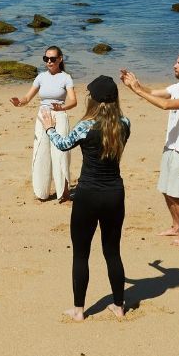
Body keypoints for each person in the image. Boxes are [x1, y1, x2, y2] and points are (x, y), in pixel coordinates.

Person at [40, 75, 130, 321]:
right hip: (114, 194)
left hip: (88, 194)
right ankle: (119, 306)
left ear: (95, 99)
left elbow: (62, 144)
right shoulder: (125, 123)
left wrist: (49, 127)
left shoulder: (85, 125)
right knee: (113, 252)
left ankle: (79, 310)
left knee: (81, 253)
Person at [120, 51, 179, 246]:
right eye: (176, 62)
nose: (175, 66)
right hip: (171, 145)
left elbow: (166, 105)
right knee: (167, 189)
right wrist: (134, 85)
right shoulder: (178, 87)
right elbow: (152, 93)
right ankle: (176, 226)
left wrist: (139, 91)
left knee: (177, 193)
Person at [10, 45, 76, 202]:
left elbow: (73, 101)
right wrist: (19, 102)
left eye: (53, 59)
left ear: (60, 59)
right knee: (41, 152)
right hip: (43, 115)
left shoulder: (66, 77)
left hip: (59, 115)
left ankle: (64, 192)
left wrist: (62, 107)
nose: (49, 62)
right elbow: (27, 98)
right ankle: (42, 192)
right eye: (46, 58)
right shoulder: (40, 77)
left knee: (61, 153)